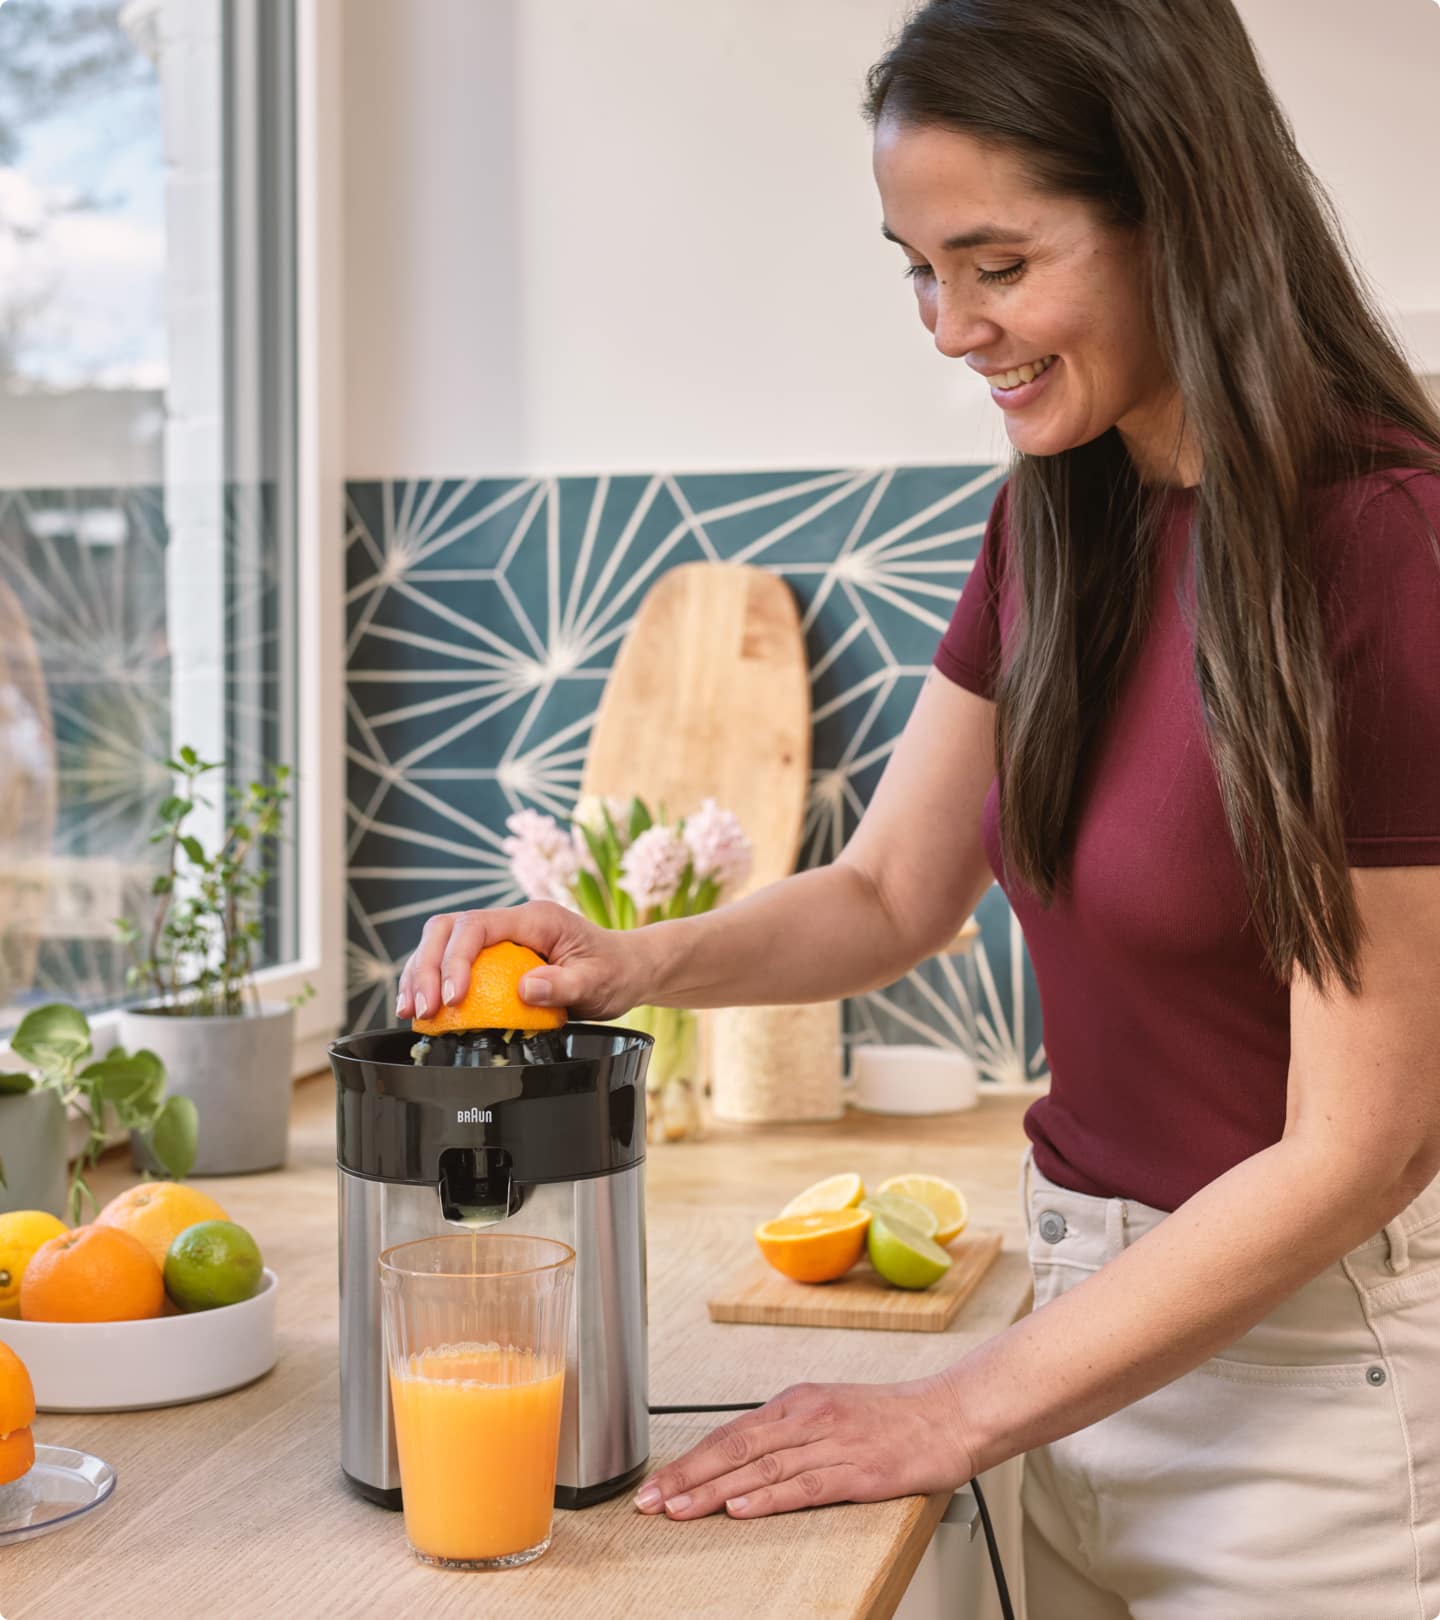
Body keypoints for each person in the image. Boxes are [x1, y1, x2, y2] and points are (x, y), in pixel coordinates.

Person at [396, 1, 1440, 1612]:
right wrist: (630, 959)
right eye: (917, 267)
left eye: (999, 264)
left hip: (1312, 1408)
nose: (952, 328)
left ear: (1180, 210)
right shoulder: (1060, 515)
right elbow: (893, 894)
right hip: (1076, 1353)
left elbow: (1362, 1148)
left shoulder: (1380, 549)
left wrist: (948, 1411)